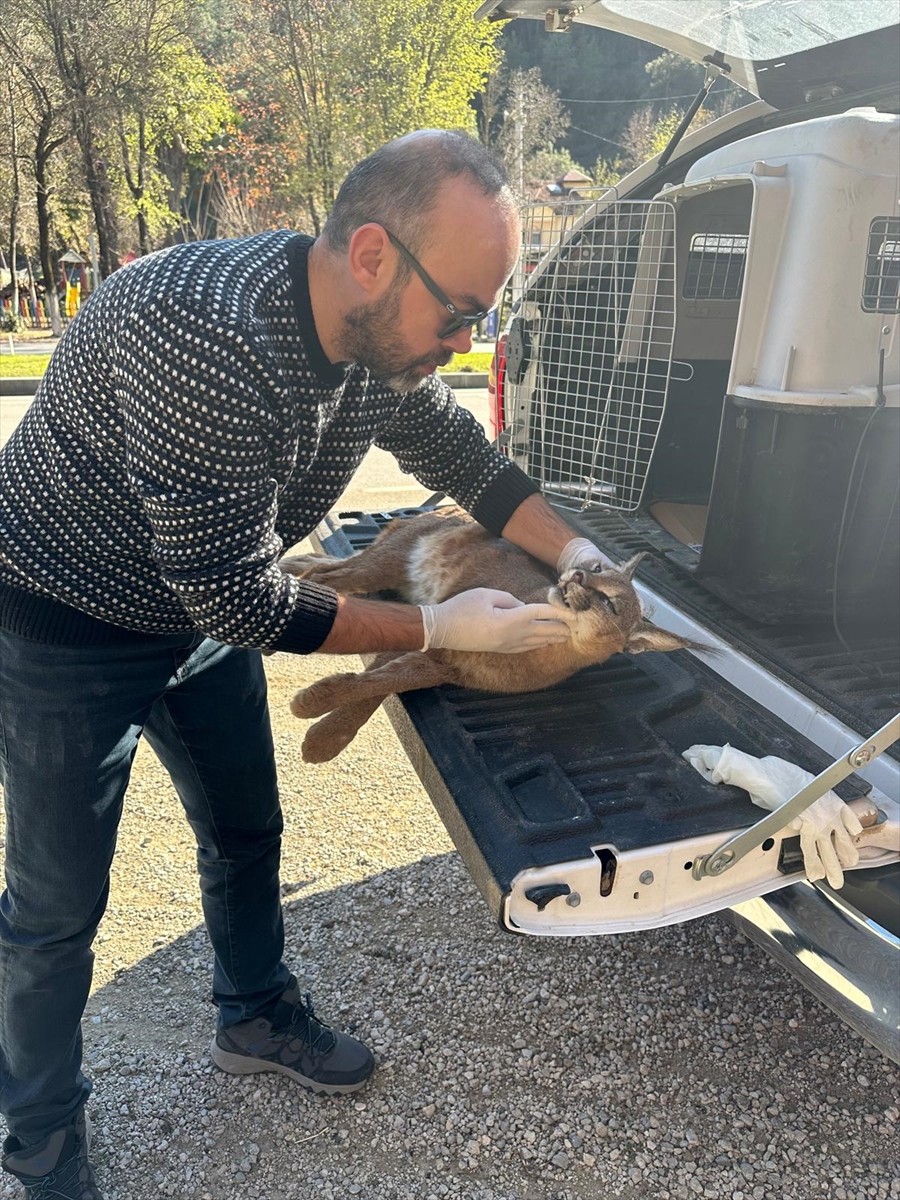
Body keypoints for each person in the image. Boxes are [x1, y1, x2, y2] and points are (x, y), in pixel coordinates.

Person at [0, 129, 607, 1198]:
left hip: (191, 610)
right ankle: (39, 1137)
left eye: (482, 317)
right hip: (65, 621)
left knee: (246, 829)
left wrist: (584, 556)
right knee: (55, 909)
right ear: (373, 255)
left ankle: (254, 1012)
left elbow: (467, 458)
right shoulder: (206, 335)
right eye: (460, 312)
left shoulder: (375, 342)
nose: (465, 343)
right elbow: (235, 596)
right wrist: (439, 631)